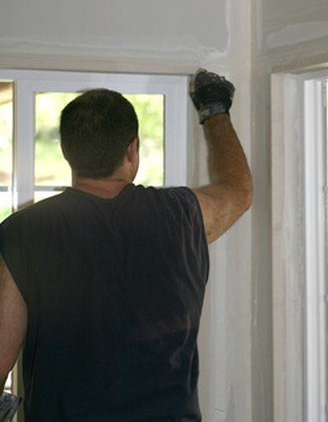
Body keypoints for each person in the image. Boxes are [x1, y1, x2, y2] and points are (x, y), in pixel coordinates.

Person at [0, 69, 252, 422]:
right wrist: (214, 109)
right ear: (132, 149)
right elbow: (238, 190)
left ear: (66, 151)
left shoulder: (23, 232)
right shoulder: (182, 216)